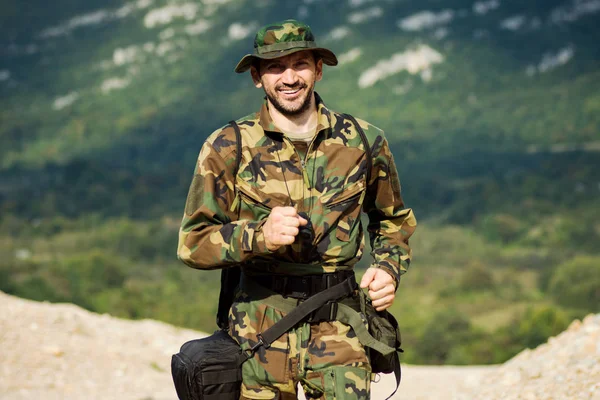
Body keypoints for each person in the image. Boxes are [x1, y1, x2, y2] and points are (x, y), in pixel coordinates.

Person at [177, 19, 417, 400]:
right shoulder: (228, 145)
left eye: (300, 64)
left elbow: (392, 221)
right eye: (275, 67)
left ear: (318, 70)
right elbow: (192, 243)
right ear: (257, 76)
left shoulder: (364, 140)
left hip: (341, 327)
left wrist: (388, 268)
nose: (289, 77)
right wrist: (258, 235)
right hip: (259, 332)